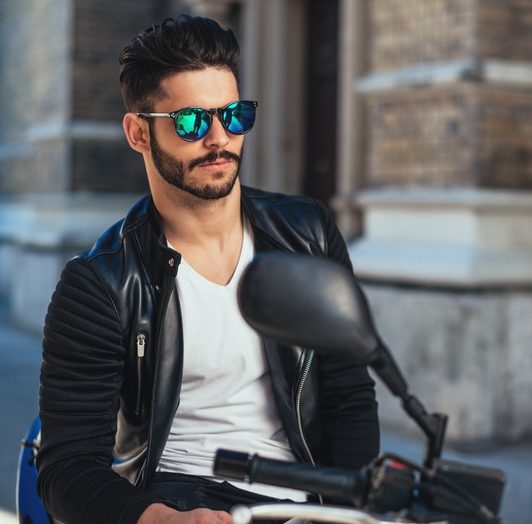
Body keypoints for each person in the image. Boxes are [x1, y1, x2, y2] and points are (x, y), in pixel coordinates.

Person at [36, 14, 380, 524]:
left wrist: (353, 513)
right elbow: (66, 468)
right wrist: (165, 519)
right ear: (138, 133)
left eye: (233, 115)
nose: (219, 139)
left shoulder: (307, 234)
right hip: (179, 497)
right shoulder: (101, 283)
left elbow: (349, 394)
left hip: (305, 500)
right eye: (192, 121)